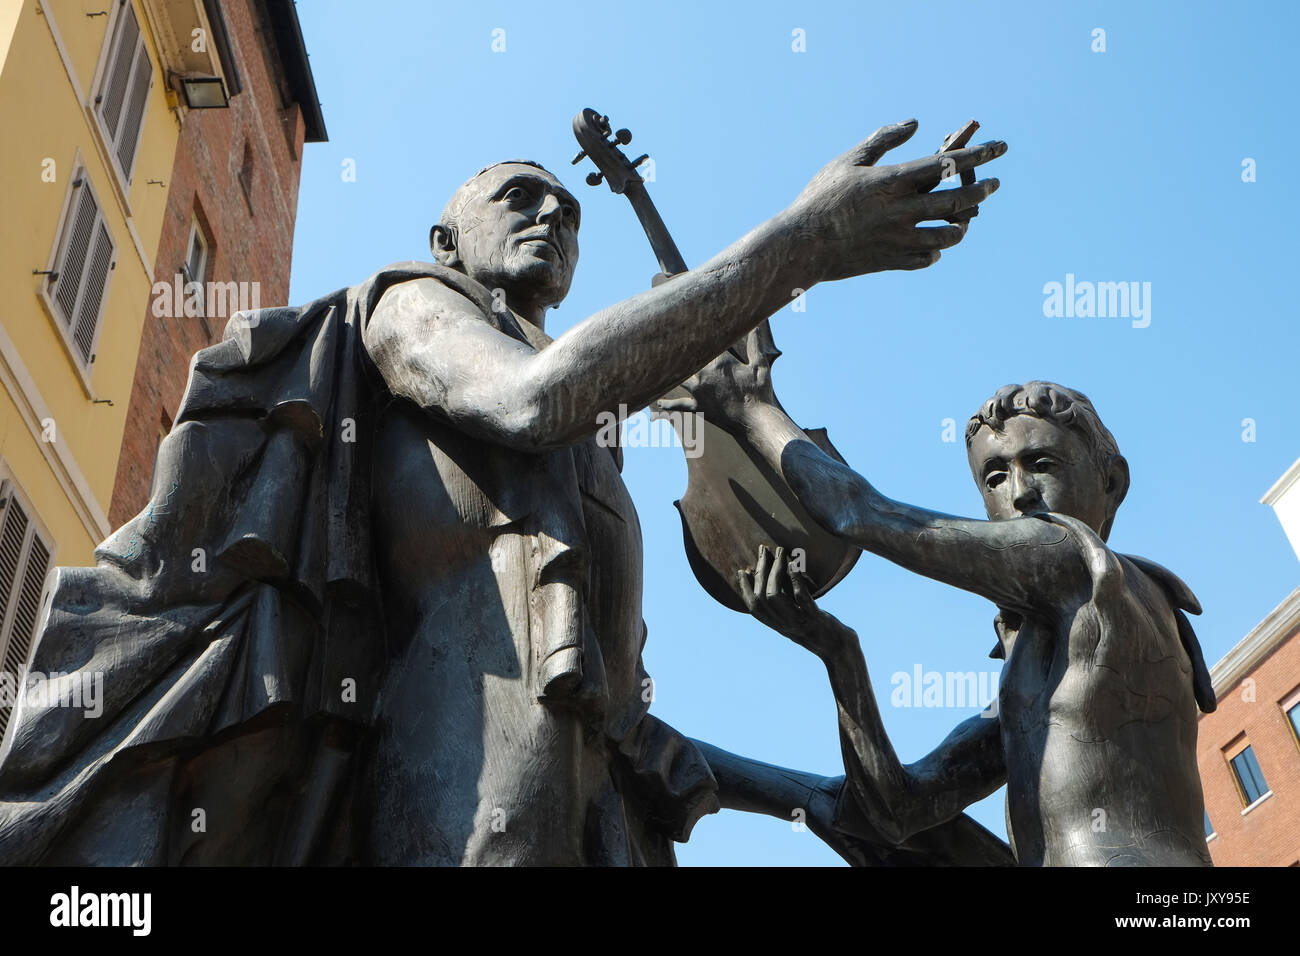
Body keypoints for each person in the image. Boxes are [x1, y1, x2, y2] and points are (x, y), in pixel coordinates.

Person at [0, 122, 1007, 865]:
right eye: (519, 197)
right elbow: (534, 398)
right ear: (446, 242)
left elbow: (608, 717)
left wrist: (805, 794)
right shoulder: (409, 309)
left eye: (566, 211)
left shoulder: (592, 450)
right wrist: (800, 244)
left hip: (597, 825)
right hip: (467, 815)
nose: (551, 213)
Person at [675, 363, 1216, 866]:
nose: (1022, 493)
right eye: (995, 477)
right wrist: (838, 654)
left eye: (1041, 464)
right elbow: (896, 812)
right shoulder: (1039, 682)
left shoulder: (1082, 564)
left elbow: (859, 512)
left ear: (1112, 482)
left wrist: (751, 408)